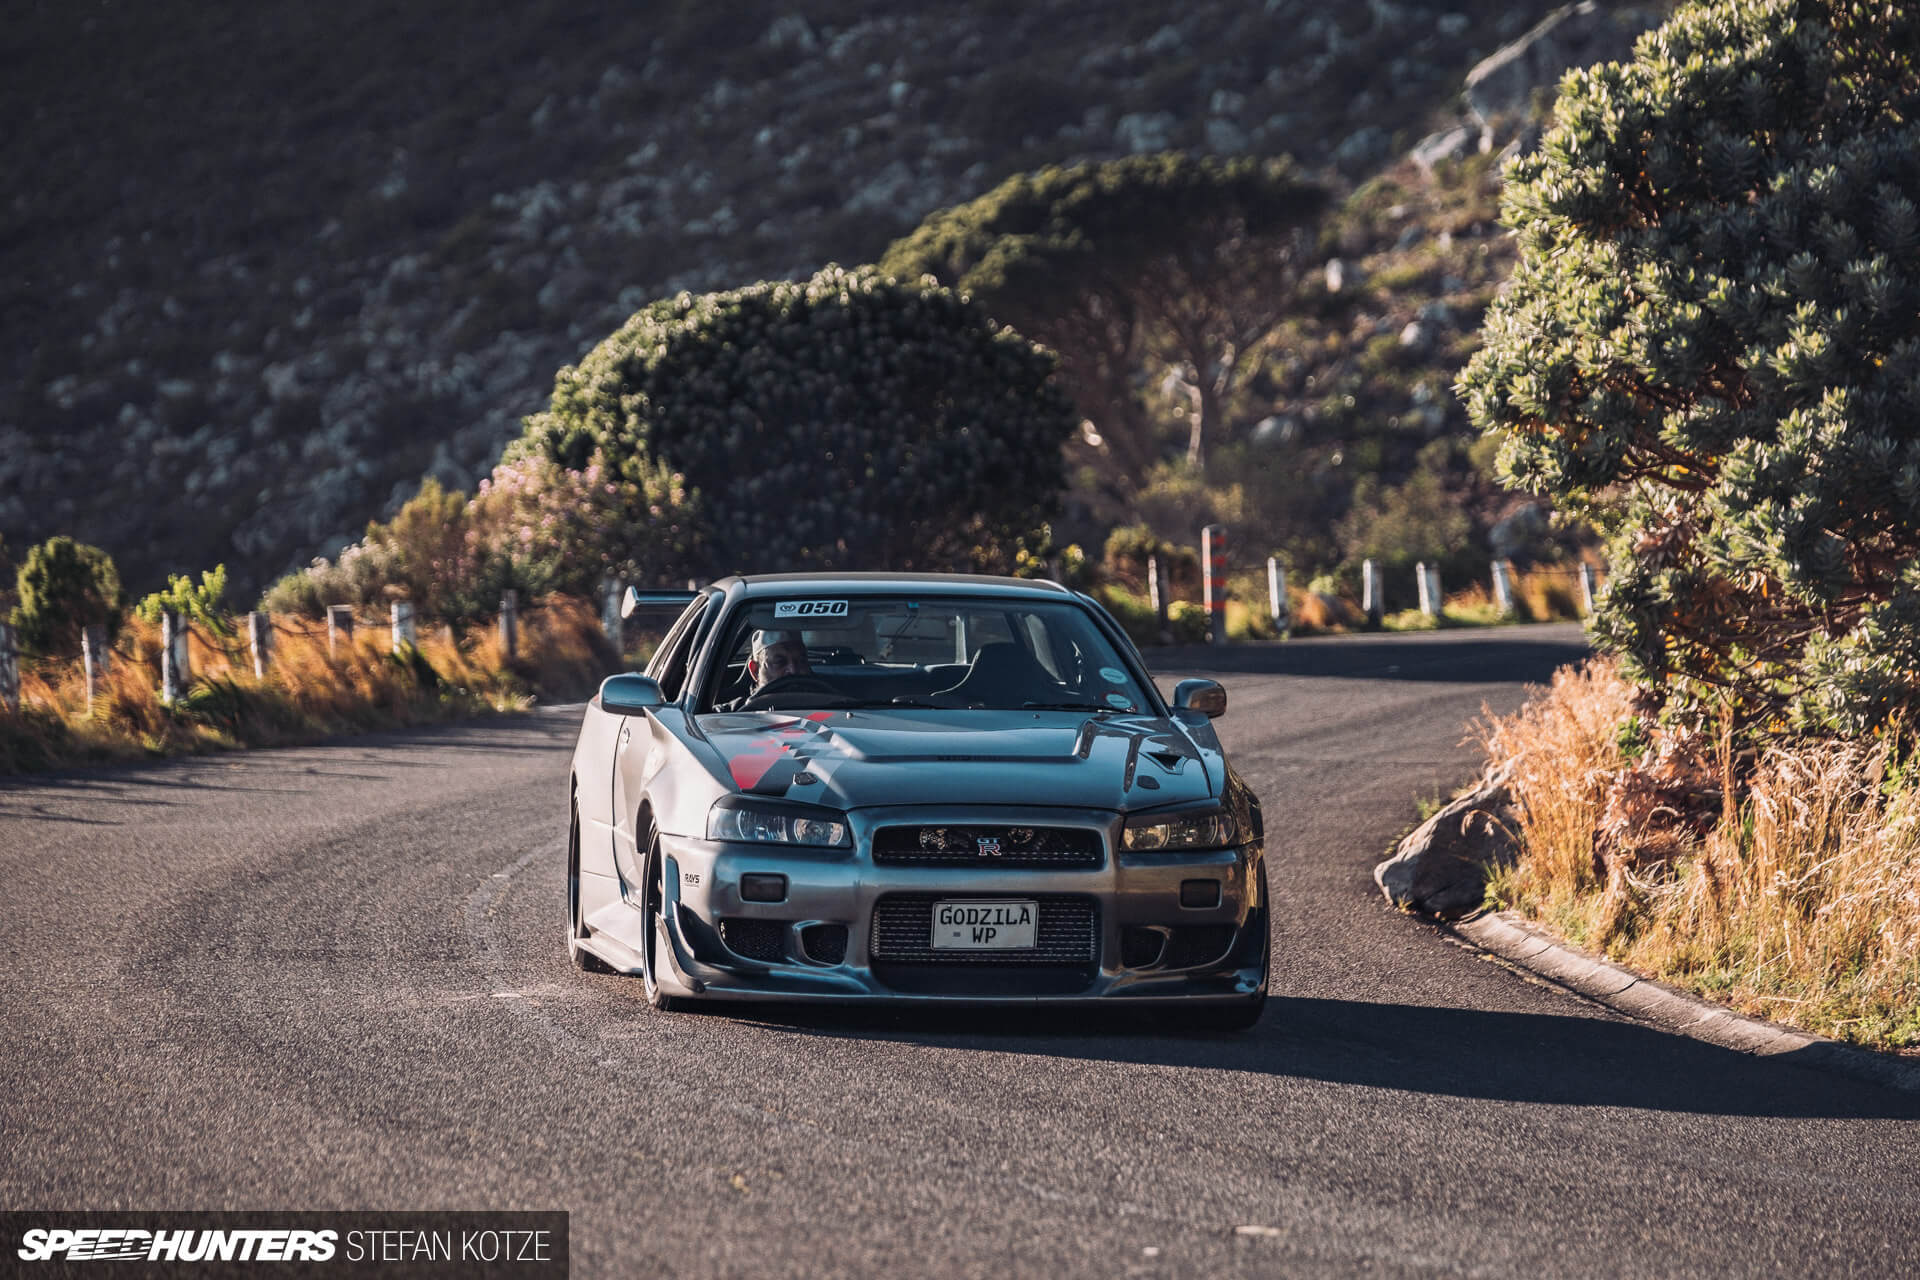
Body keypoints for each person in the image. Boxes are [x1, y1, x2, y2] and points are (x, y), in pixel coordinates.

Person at [718, 629, 813, 709]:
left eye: (801, 661)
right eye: (779, 662)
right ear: (755, 671)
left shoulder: (826, 703)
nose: (793, 670)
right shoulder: (729, 714)